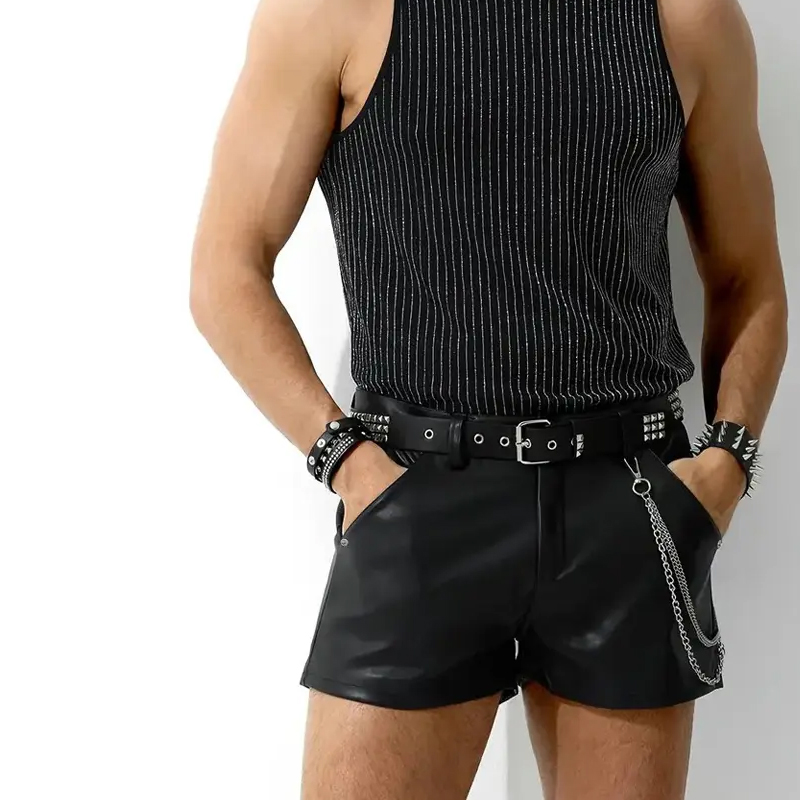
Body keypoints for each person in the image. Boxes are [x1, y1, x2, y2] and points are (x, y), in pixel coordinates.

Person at [189, 0, 788, 797]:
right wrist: (347, 462)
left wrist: (726, 467)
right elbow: (225, 271)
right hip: (417, 500)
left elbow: (749, 278)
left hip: (628, 506)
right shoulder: (334, 11)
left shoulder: (687, 17)